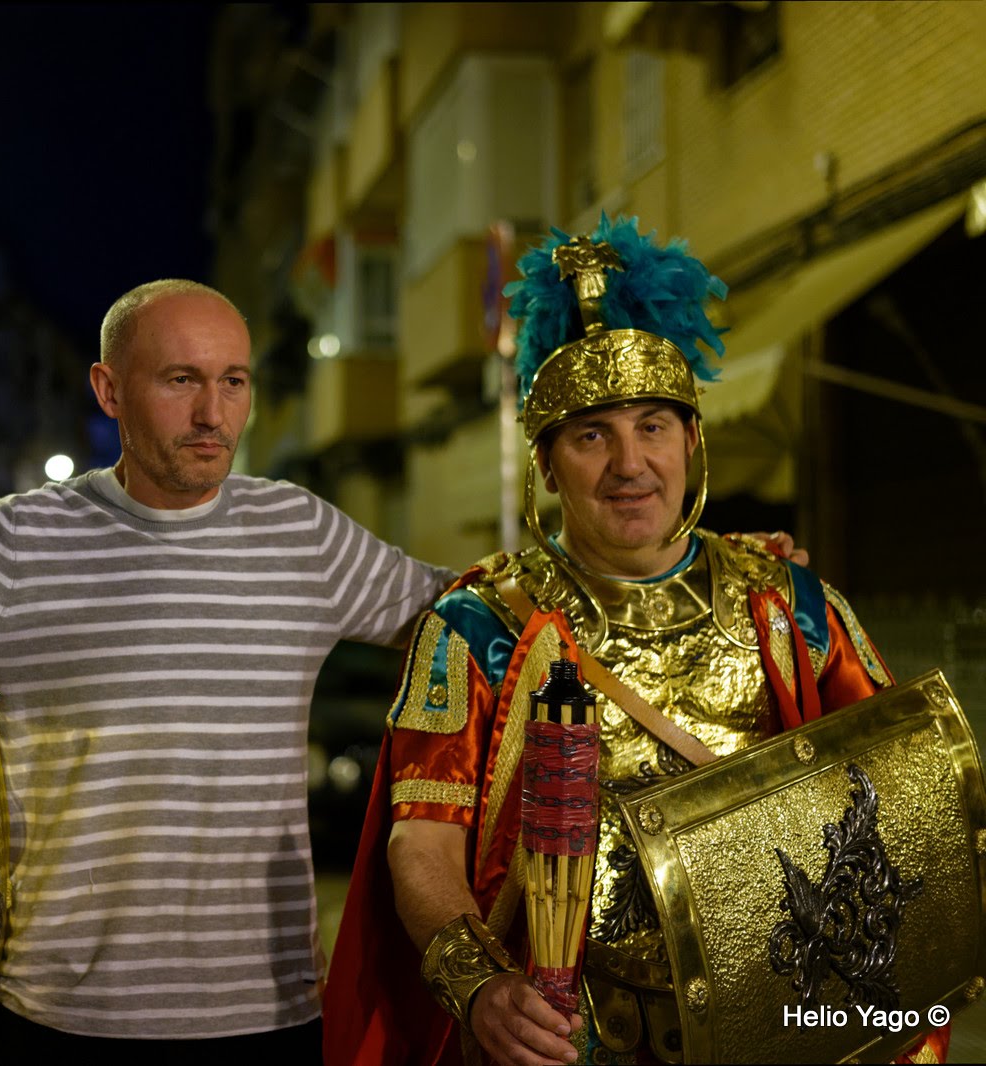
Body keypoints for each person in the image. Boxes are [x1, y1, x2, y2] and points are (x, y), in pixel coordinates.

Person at [0, 275, 807, 1061]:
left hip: (263, 1018)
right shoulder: (15, 547)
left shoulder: (303, 531)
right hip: (50, 1023)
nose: (214, 412)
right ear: (108, 390)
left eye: (235, 380)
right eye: (181, 380)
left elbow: (504, 622)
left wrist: (708, 564)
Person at [320, 216, 945, 1066]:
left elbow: (905, 808)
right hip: (569, 1043)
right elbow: (421, 842)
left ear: (692, 440)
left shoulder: (792, 607)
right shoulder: (477, 628)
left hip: (776, 1031)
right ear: (545, 466)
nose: (629, 464)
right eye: (591, 436)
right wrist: (479, 986)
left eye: (653, 425)